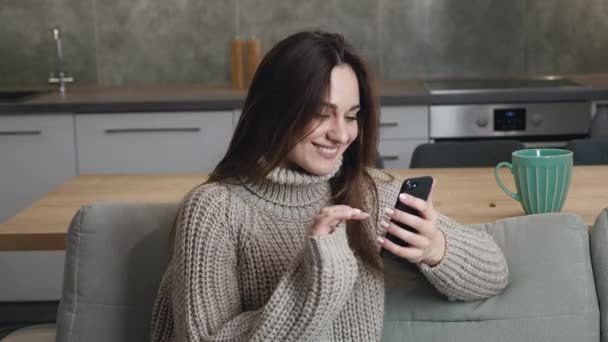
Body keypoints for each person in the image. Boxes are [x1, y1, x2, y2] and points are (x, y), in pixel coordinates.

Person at [149, 31, 509, 342]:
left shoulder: (367, 193)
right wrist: (317, 279)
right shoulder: (215, 209)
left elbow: (494, 272)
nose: (340, 134)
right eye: (321, 114)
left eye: (351, 116)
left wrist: (436, 248)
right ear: (276, 111)